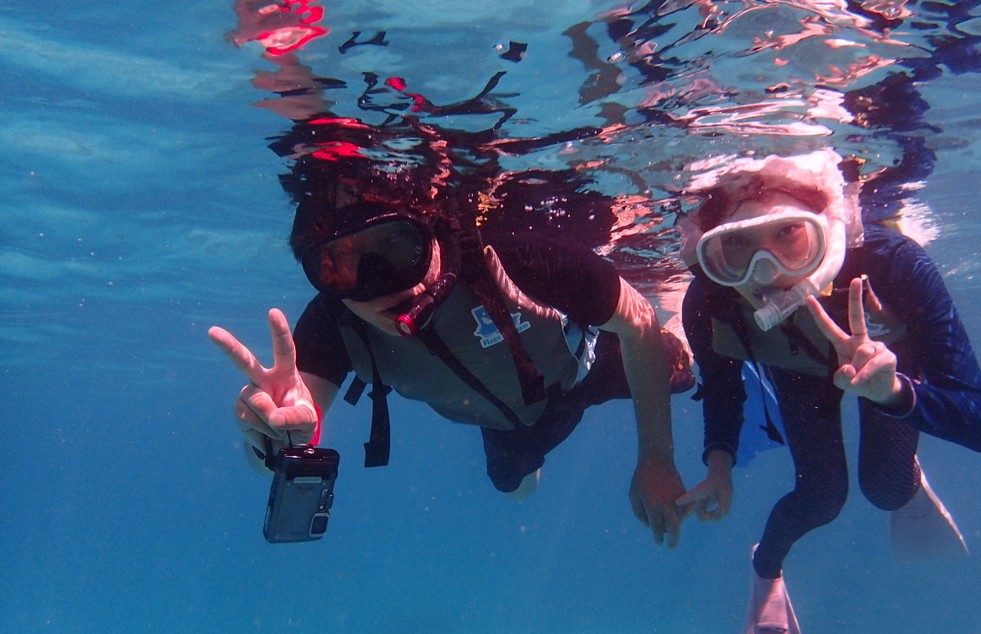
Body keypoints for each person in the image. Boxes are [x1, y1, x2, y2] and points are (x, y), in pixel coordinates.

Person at [209, 146, 696, 544]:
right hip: (504, 423)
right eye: (340, 266)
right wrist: (270, 440)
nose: (379, 286)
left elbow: (638, 323)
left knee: (677, 364)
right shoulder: (336, 321)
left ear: (433, 233)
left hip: (590, 369)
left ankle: (680, 313)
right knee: (514, 488)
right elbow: (289, 425)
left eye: (396, 246)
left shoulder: (524, 258)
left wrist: (656, 456)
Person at [674, 149, 981, 634]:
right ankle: (765, 574)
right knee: (822, 497)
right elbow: (722, 391)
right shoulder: (709, 299)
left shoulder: (893, 262)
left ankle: (907, 482)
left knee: (885, 487)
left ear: (829, 228)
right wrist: (718, 467)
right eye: (738, 246)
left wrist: (894, 391)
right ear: (711, 252)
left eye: (789, 234)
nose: (767, 271)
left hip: (884, 366)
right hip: (797, 371)